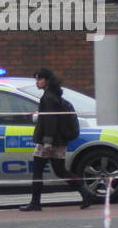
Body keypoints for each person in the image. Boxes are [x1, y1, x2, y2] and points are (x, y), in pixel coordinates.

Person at [20, 67, 90, 211]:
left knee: (38, 171)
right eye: (36, 79)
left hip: (49, 141)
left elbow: (50, 120)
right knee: (60, 171)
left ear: (47, 80)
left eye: (39, 79)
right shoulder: (54, 95)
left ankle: (35, 203)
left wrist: (47, 142)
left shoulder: (48, 98)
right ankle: (85, 192)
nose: (37, 82)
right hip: (59, 140)